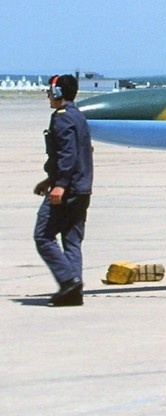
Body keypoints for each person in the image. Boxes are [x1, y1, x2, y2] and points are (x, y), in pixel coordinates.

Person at [34, 73, 93, 307]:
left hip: (67, 190)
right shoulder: (78, 117)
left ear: (58, 93)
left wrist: (59, 185)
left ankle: (69, 281)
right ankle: (73, 292)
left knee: (43, 236)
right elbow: (77, 155)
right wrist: (50, 180)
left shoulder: (61, 118)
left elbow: (67, 155)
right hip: (81, 188)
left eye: (50, 92)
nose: (49, 96)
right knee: (71, 239)